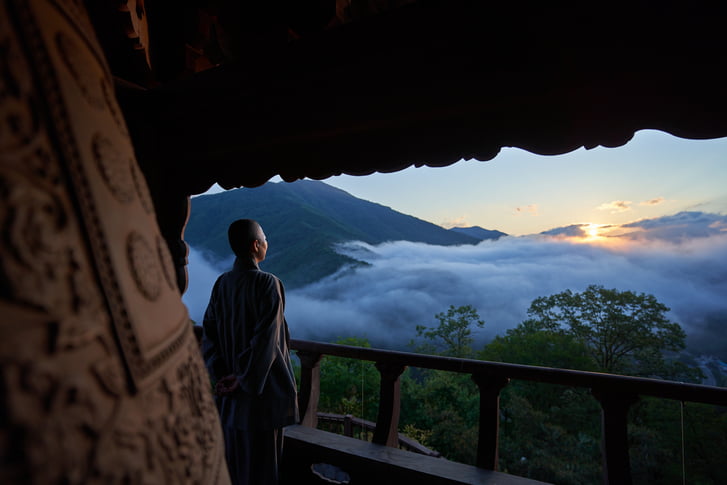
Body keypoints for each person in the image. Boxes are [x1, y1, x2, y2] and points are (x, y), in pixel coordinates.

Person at [202, 219, 299, 485]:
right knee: (262, 469)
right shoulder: (269, 283)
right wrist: (244, 379)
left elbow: (208, 334)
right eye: (265, 238)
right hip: (261, 398)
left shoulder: (222, 283)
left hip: (229, 399)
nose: (267, 243)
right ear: (256, 245)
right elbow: (266, 341)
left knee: (234, 466)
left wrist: (221, 374)